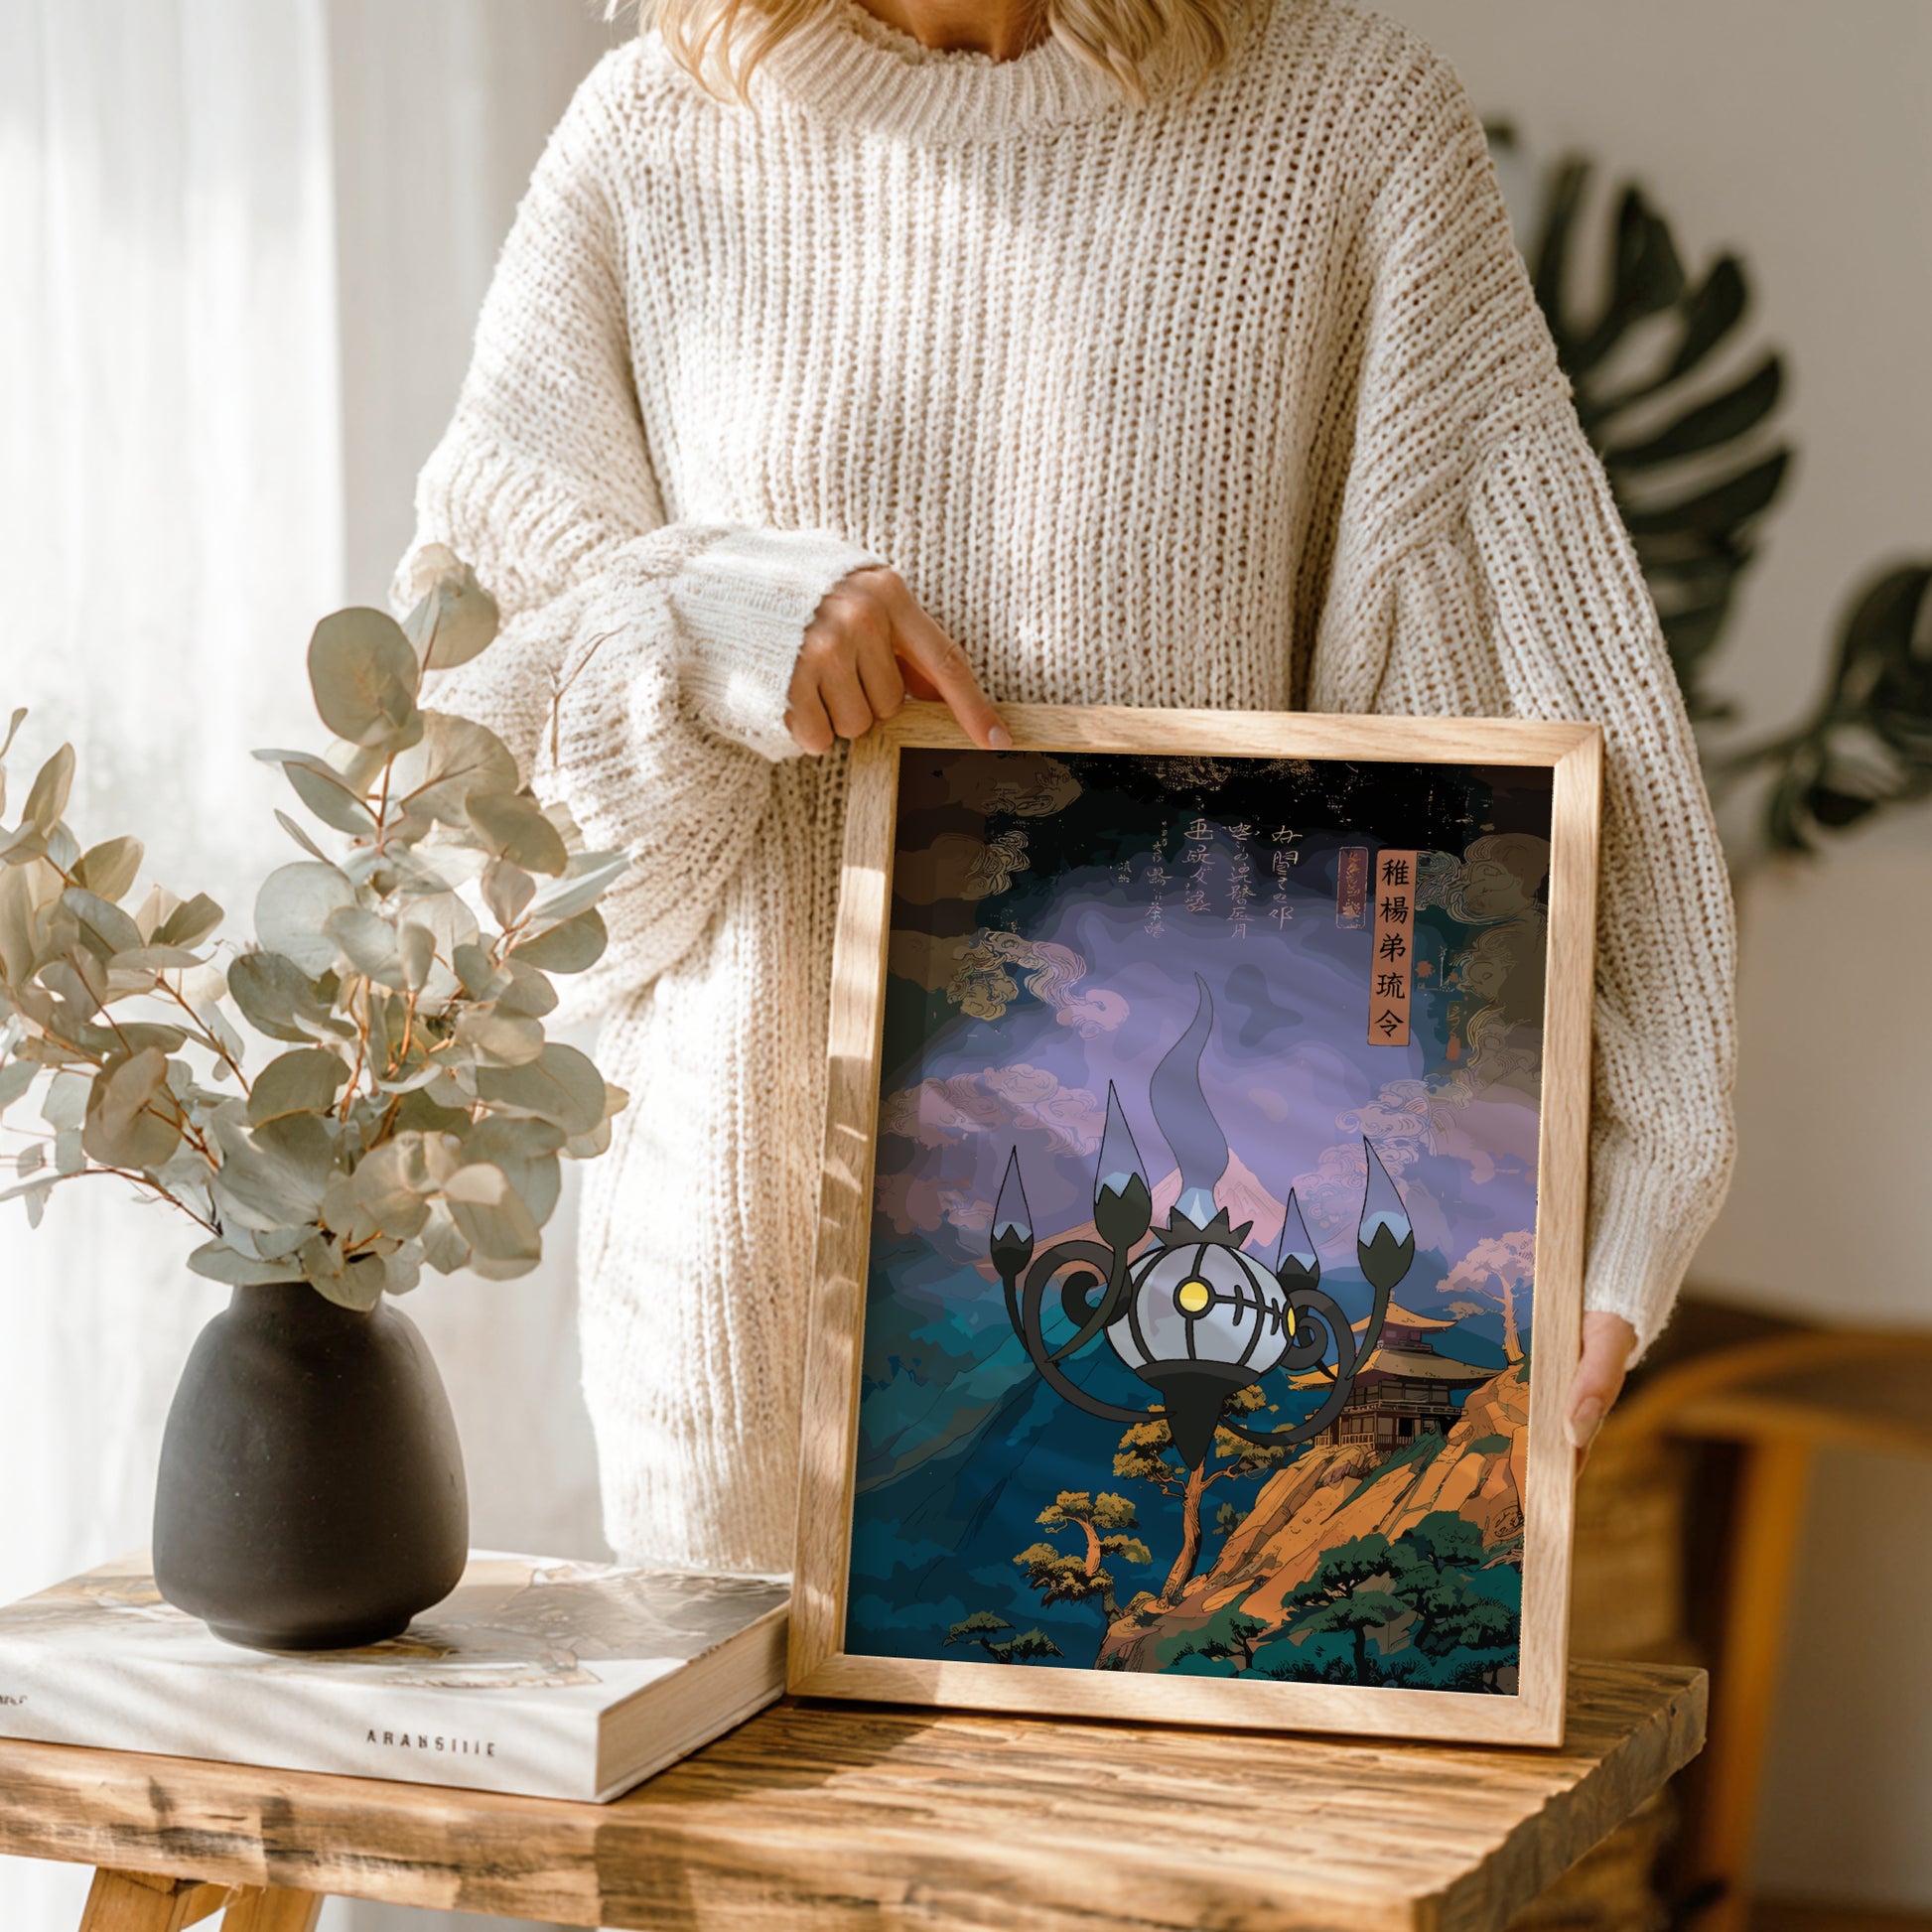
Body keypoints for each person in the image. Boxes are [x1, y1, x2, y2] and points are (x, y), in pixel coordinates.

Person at [393, 0, 1736, 1577]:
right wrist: (705, 621)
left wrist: (1624, 1174)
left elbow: (1525, 701)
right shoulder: (649, 141)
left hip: (1222, 1321)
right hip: (740, 1344)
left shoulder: (1343, 128)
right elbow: (464, 820)